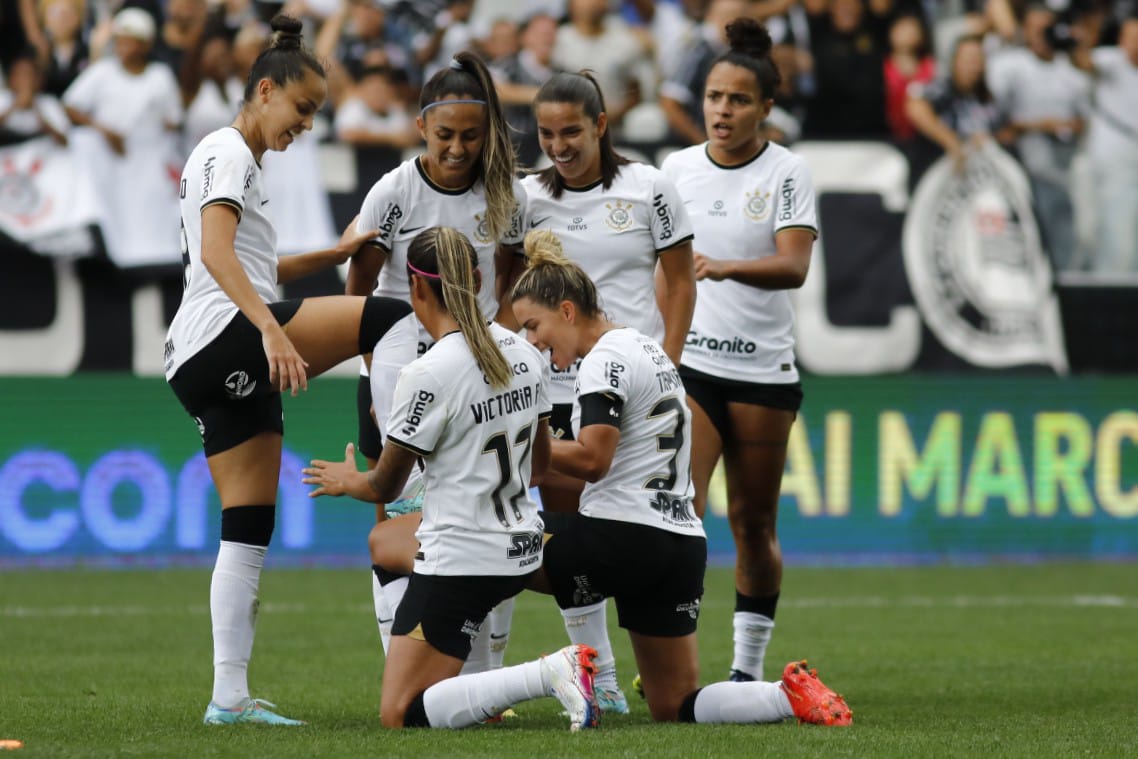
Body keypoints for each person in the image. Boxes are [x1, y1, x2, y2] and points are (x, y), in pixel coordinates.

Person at [332, 229, 851, 728]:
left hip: (621, 536)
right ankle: (784, 695)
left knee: (429, 540)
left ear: (566, 310)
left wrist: (461, 440)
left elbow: (593, 460)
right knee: (676, 703)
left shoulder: (602, 362)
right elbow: (545, 461)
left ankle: (563, 673)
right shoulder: (646, 347)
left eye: (535, 326)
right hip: (682, 544)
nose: (532, 341)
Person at [164, 14, 412, 726]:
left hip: (199, 356)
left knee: (246, 524)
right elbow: (216, 254)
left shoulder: (238, 161)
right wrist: (271, 328)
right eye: (302, 110)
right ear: (264, 89)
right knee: (389, 317)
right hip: (227, 334)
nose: (306, 125)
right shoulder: (227, 150)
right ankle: (402, 469)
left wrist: (326, 260)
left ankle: (228, 697)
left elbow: (252, 262)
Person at [302, 227, 600, 732]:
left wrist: (347, 480)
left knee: (400, 712)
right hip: (524, 548)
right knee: (385, 541)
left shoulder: (428, 372)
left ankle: (548, 672)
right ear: (479, 279)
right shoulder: (526, 351)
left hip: (465, 558)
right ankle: (482, 686)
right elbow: (541, 467)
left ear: (417, 291)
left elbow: (384, 489)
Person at [521, 69, 696, 713]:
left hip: (634, 390)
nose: (558, 145)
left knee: (631, 526)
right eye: (545, 133)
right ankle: (604, 683)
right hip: (556, 391)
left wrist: (666, 368)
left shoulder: (650, 187)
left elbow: (679, 284)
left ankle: (631, 671)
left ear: (600, 125)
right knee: (575, 539)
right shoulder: (524, 199)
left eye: (571, 130)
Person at [346, 49, 526, 667]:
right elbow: (359, 294)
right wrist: (374, 377)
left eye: (471, 136)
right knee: (397, 524)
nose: (457, 148)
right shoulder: (392, 193)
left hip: (474, 382)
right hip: (396, 379)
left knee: (480, 523)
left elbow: (509, 284)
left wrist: (486, 354)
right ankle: (401, 665)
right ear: (421, 126)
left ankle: (486, 672)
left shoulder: (505, 195)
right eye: (445, 134)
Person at [659, 17, 816, 685]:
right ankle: (674, 665)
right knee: (679, 513)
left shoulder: (787, 170)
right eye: (714, 97)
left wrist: (725, 267)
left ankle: (747, 670)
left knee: (753, 523)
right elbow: (658, 268)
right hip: (692, 368)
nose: (722, 110)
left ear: (766, 108)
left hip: (762, 371)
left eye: (739, 99)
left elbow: (794, 265)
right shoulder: (676, 169)